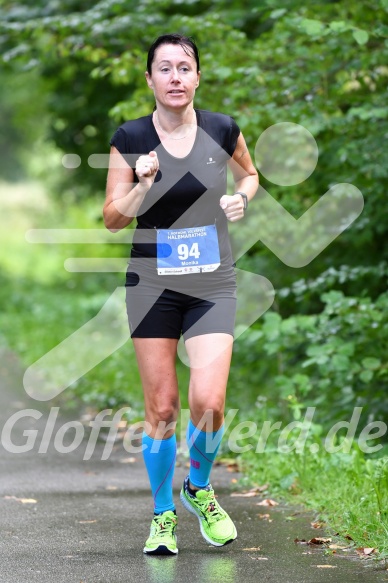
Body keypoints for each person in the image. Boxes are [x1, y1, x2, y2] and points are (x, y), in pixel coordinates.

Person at [104, 33, 259, 555]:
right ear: (149, 79)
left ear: (197, 77)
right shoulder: (129, 137)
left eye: (184, 68)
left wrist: (240, 197)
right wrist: (142, 184)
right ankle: (163, 515)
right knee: (164, 408)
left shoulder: (221, 128)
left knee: (209, 403)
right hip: (152, 285)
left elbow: (251, 174)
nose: (175, 77)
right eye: (164, 69)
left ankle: (198, 486)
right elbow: (111, 218)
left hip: (212, 281)